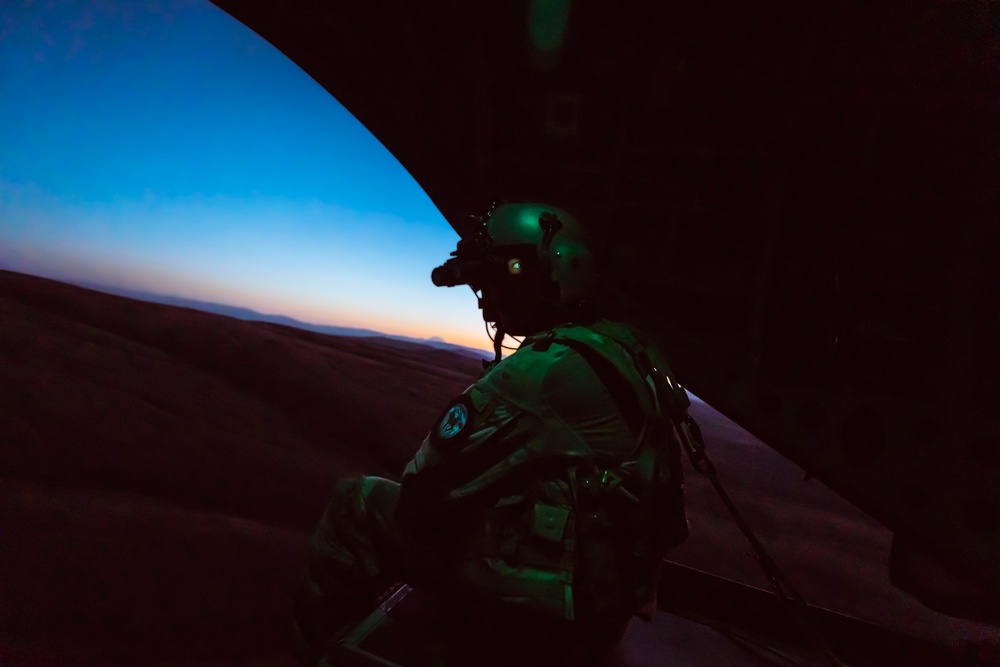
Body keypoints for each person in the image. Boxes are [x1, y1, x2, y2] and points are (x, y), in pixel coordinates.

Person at [293, 202, 690, 666]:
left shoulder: (544, 371)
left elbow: (423, 489)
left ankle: (315, 654)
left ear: (548, 271)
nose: (486, 300)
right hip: (605, 607)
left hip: (555, 624)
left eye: (498, 281)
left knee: (357, 502)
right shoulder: (622, 346)